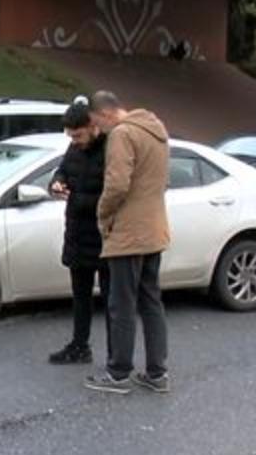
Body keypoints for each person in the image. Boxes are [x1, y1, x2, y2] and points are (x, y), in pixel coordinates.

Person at [85, 91, 171, 394]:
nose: (98, 130)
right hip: (154, 229)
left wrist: (103, 213)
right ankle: (157, 372)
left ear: (105, 114)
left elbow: (118, 183)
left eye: (96, 122)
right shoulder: (156, 131)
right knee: (151, 302)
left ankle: (119, 372)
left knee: (121, 304)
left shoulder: (122, 134)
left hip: (128, 232)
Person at [47, 99, 110, 365]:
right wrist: (57, 183)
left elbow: (114, 194)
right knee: (81, 297)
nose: (75, 140)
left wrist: (78, 200)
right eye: (70, 136)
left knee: (112, 301)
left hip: (105, 238)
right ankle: (79, 346)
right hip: (77, 234)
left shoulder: (111, 148)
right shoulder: (73, 148)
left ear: (93, 126)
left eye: (79, 135)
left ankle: (116, 356)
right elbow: (62, 170)